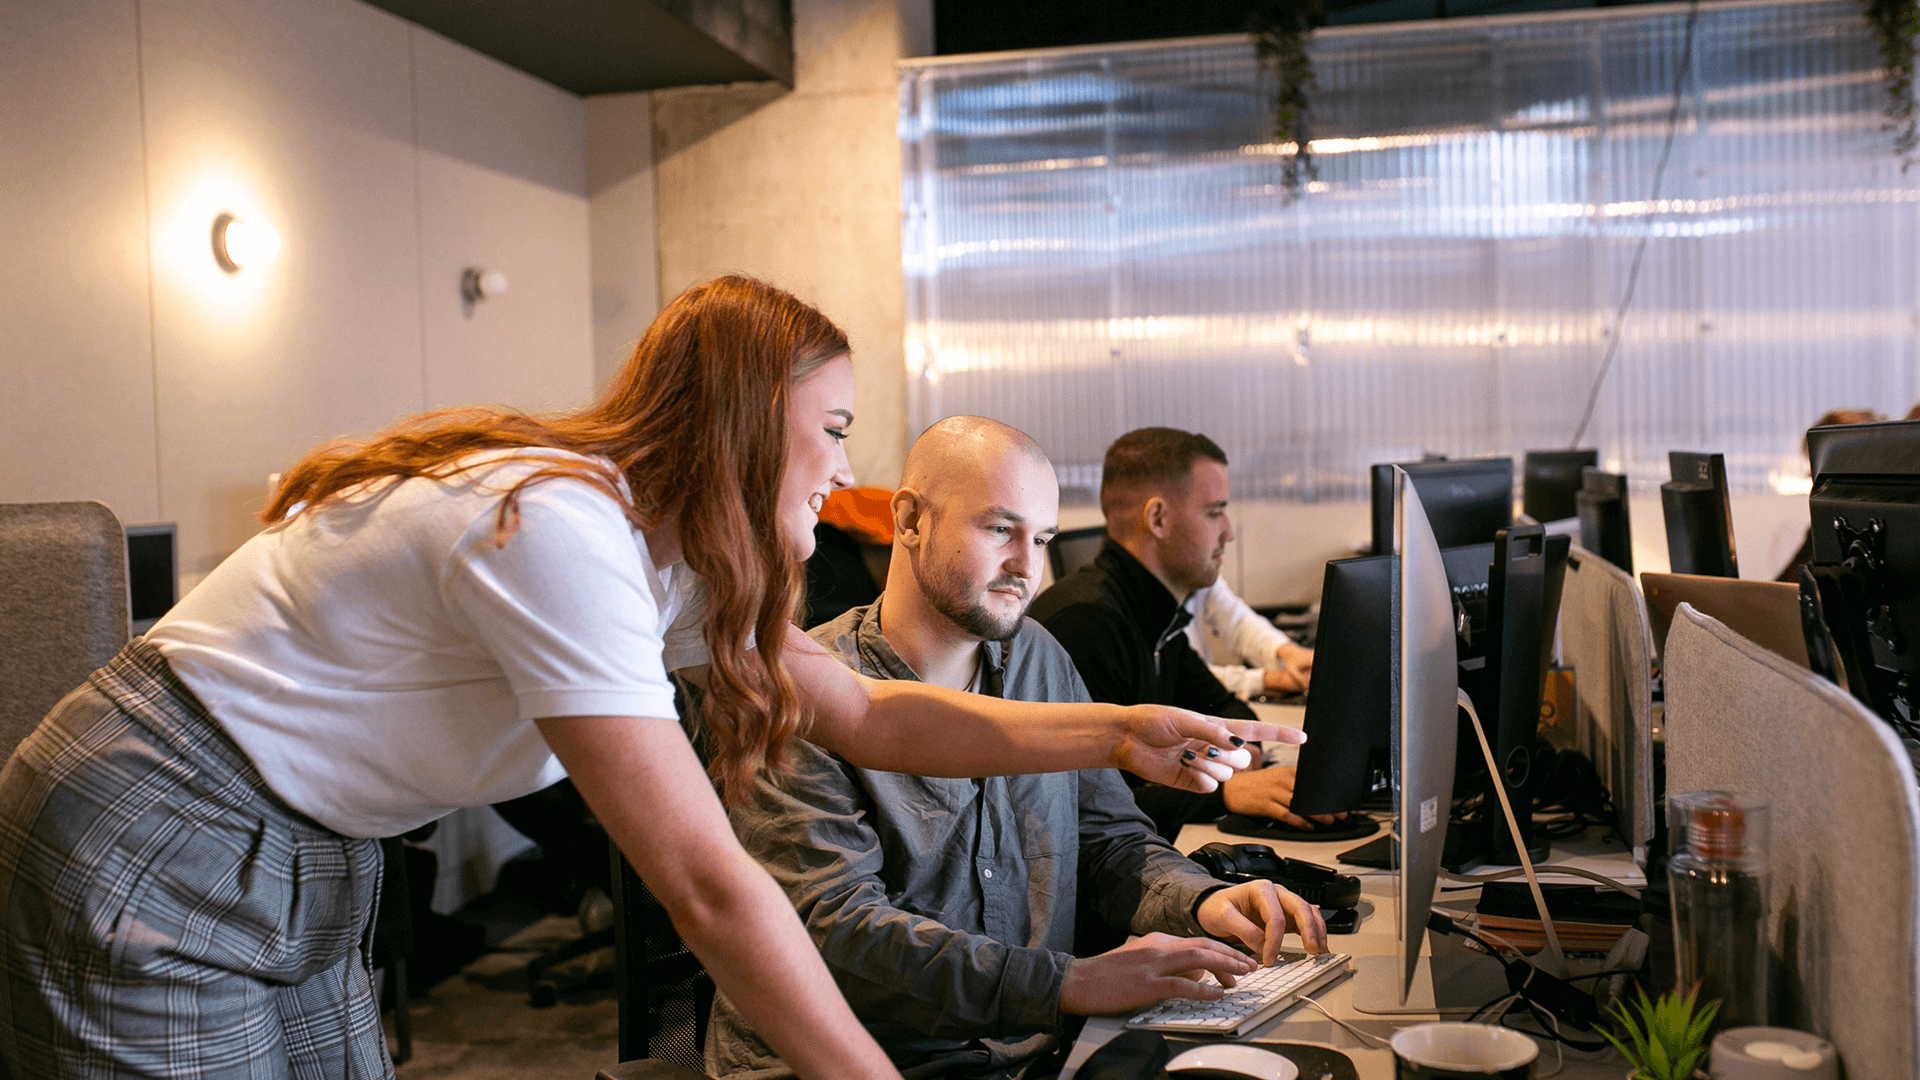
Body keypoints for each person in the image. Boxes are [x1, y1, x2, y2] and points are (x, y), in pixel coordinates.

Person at [0, 278, 1282, 1080]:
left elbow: (873, 713)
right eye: (830, 433)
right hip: (162, 820)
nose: (842, 477)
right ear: (739, 423)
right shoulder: (564, 530)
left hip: (311, 846)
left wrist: (1116, 730)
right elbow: (712, 890)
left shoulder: (675, 565)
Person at [705, 417, 1325, 1080]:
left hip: (1025, 1058)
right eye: (1000, 530)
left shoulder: (1039, 662)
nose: (1028, 569)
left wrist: (1201, 900)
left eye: (1044, 539)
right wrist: (1067, 984)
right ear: (910, 522)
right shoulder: (806, 688)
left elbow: (1110, 838)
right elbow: (842, 937)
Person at [1030, 428, 1331, 838]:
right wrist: (1224, 791)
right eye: (1213, 512)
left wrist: (1238, 759)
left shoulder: (1156, 613)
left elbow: (1228, 712)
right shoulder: (1086, 626)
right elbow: (1086, 805)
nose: (1228, 531)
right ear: (1158, 518)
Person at [1183, 575, 1314, 701]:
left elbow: (1237, 620)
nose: (1223, 551)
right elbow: (1182, 676)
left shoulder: (1202, 568)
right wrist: (1266, 680)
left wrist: (1287, 651)